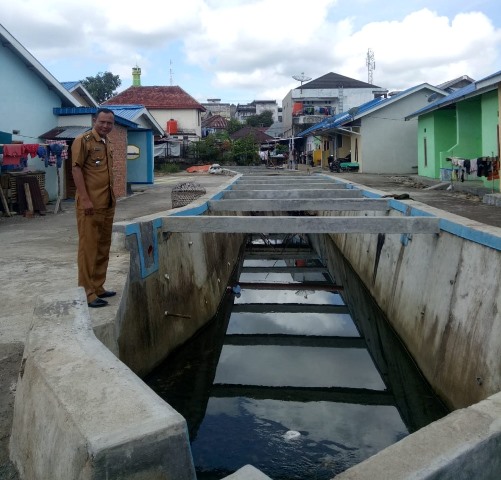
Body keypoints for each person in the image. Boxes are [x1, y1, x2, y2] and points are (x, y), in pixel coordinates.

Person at [72, 108, 117, 308]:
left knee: (102, 246)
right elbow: (76, 169)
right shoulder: (83, 140)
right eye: (102, 122)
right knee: (88, 248)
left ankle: (98, 286)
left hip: (106, 203)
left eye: (109, 123)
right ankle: (86, 292)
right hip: (90, 204)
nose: (106, 125)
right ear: (94, 120)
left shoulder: (106, 142)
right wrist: (85, 199)